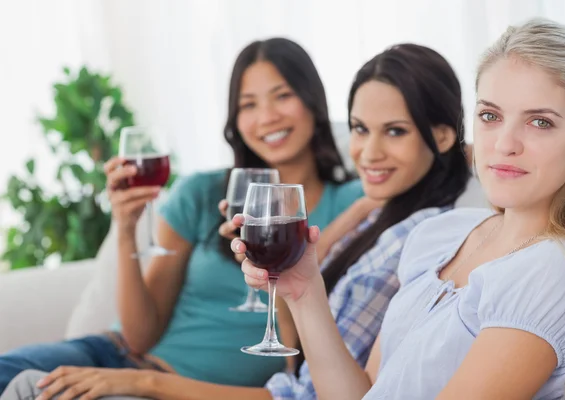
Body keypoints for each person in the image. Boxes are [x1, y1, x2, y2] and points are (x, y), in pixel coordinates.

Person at [1, 43, 471, 399]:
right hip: (119, 354)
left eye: (281, 95)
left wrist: (475, 154)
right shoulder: (206, 193)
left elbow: (401, 196)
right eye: (248, 103)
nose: (266, 116)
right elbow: (140, 336)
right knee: (13, 376)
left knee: (28, 388)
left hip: (180, 383)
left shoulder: (370, 203)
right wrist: (125, 227)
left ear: (312, 103)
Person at [236, 18, 565, 400]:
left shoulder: (554, 269)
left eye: (540, 122)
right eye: (490, 116)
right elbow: (366, 394)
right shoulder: (442, 234)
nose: (505, 144)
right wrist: (305, 290)